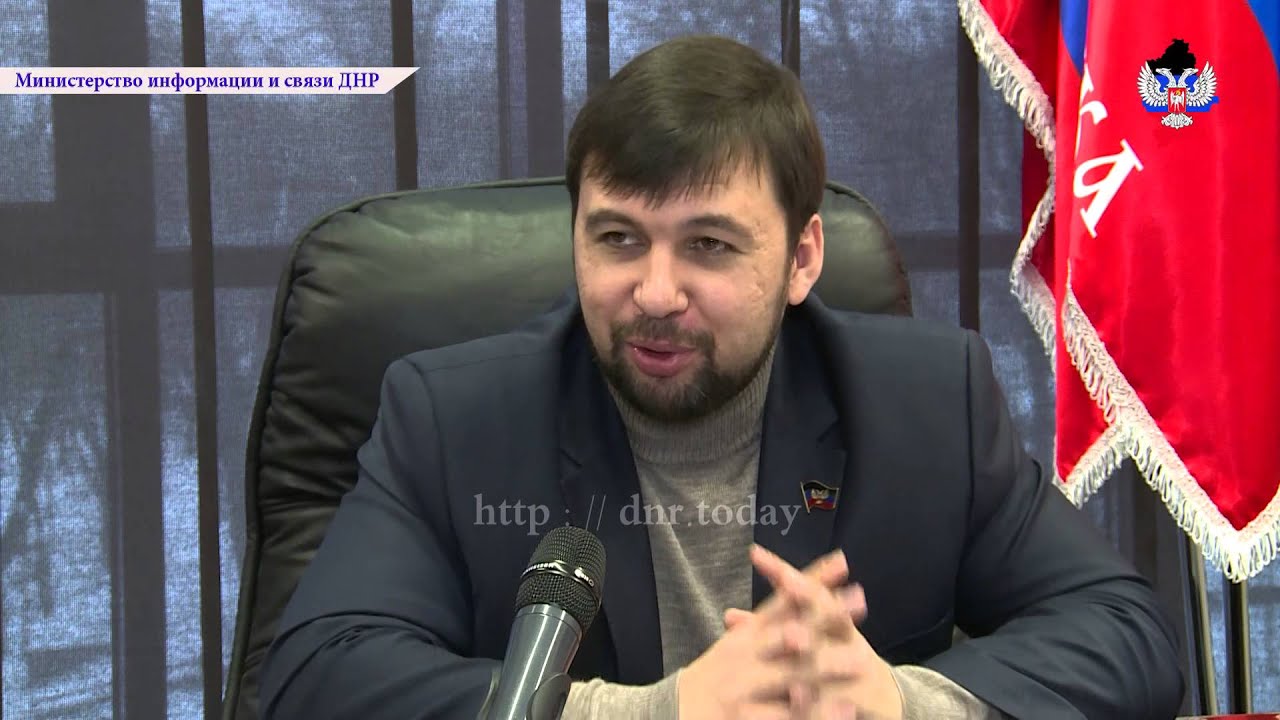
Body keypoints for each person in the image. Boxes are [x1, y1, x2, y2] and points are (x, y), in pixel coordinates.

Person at [259, 34, 1185, 719]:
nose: (656, 293)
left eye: (708, 245)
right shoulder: (452, 417)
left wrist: (901, 702)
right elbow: (317, 675)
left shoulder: (929, 402)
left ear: (802, 259)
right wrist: (654, 713)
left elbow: (1124, 633)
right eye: (617, 238)